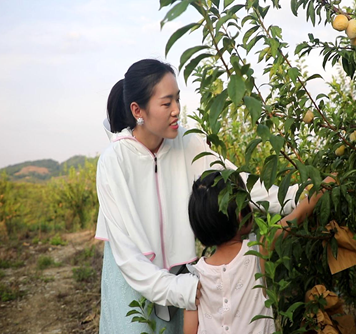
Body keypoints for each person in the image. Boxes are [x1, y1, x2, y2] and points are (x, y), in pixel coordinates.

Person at [95, 59, 302, 333]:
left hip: (182, 274)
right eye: (166, 103)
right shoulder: (115, 161)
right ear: (137, 110)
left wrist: (297, 197)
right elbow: (128, 255)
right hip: (133, 278)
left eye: (178, 100)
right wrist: (184, 288)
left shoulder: (187, 141)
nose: (177, 111)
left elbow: (237, 184)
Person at [183, 171, 336, 334]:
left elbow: (190, 331)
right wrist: (327, 183)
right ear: (240, 215)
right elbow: (297, 216)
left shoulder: (194, 276)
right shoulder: (257, 249)